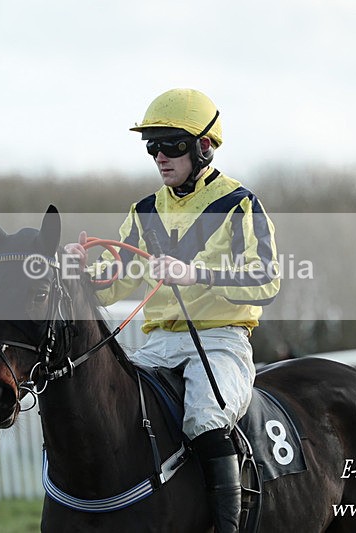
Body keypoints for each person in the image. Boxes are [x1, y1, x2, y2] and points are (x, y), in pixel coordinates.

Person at [65, 88, 280, 532]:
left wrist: (196, 273)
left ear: (204, 147)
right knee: (111, 407)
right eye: (152, 146)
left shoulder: (239, 203)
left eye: (172, 145)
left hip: (220, 341)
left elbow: (267, 279)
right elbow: (114, 281)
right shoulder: (144, 210)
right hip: (158, 344)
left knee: (203, 416)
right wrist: (82, 273)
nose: (160, 156)